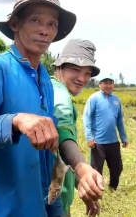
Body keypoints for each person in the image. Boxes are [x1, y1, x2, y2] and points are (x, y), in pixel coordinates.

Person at [0, 0, 100, 217]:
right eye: (35, 20)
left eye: (52, 24)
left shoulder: (44, 80)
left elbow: (55, 133)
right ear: (15, 24)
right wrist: (15, 121)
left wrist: (81, 168)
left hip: (36, 204)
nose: (45, 30)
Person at [51, 39, 104, 217]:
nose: (82, 79)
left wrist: (80, 181)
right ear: (60, 67)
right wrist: (83, 169)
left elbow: (57, 151)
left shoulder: (51, 87)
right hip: (53, 200)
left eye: (87, 73)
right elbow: (63, 130)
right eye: (75, 69)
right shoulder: (60, 95)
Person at [83, 74, 128, 191]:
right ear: (100, 84)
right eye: (105, 83)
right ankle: (96, 192)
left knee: (117, 168)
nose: (108, 85)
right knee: (96, 170)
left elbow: (119, 121)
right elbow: (86, 118)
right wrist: (89, 137)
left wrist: (124, 137)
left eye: (110, 83)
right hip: (98, 142)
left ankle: (113, 189)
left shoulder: (116, 100)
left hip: (113, 141)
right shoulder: (94, 98)